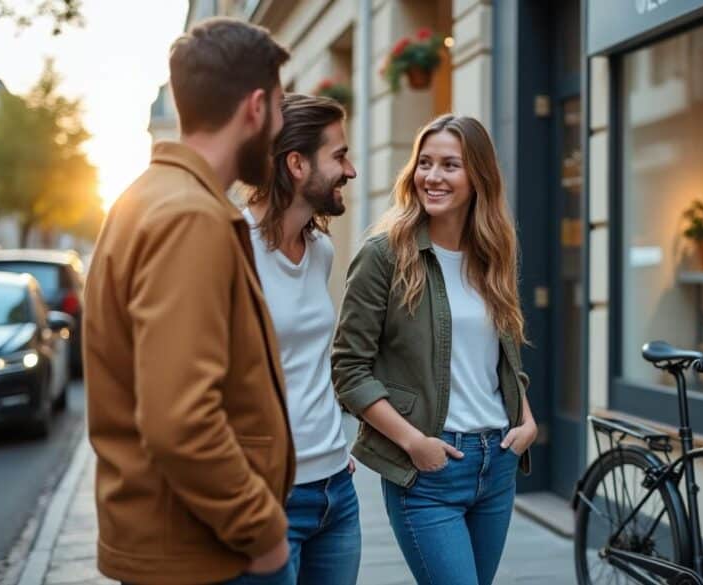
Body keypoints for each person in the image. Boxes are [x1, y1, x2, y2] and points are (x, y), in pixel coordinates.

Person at [82, 18, 296, 585]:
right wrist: (263, 531)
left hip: (186, 542)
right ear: (255, 108)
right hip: (207, 553)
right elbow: (180, 421)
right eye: (279, 107)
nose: (281, 127)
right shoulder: (190, 218)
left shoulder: (150, 198)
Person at [333, 114, 538, 585]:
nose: (432, 176)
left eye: (450, 165)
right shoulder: (384, 254)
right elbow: (349, 369)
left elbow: (501, 357)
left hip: (497, 463)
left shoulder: (493, 254)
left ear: (478, 177)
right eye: (424, 163)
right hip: (428, 471)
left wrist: (526, 419)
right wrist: (414, 444)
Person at [243, 93, 360, 584]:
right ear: (296, 163)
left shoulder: (321, 251)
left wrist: (333, 446)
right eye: (339, 155)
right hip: (270, 497)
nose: (350, 170)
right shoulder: (232, 248)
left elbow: (312, 361)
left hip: (337, 491)